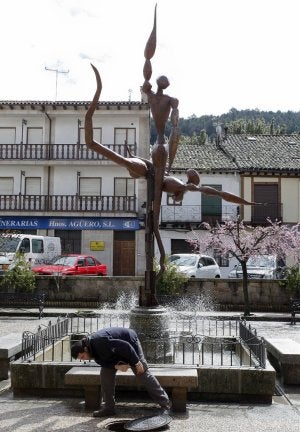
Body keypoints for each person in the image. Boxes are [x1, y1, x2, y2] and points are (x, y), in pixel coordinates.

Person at [71, 327, 171, 417]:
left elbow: (126, 346)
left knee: (142, 373)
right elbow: (103, 362)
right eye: (81, 359)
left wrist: (136, 362)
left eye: (82, 356)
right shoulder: (91, 351)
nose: (84, 359)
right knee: (105, 375)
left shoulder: (99, 342)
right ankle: (109, 408)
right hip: (116, 352)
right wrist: (117, 366)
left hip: (130, 342)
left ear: (85, 349)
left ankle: (165, 404)